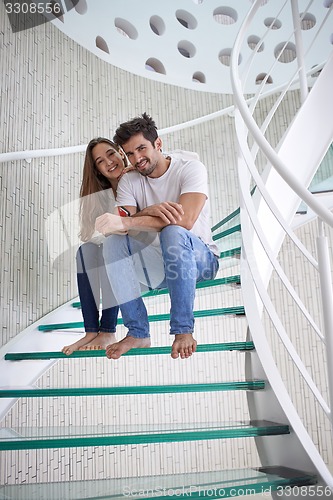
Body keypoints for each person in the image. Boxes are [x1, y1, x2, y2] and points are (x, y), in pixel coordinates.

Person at [95, 113, 220, 360]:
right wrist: (149, 211)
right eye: (129, 154)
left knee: (174, 231)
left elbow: (185, 221)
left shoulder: (191, 169)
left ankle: (183, 330)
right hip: (162, 266)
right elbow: (121, 227)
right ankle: (138, 331)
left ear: (158, 144)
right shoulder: (129, 181)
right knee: (113, 244)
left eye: (142, 149)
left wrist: (130, 220)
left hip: (200, 262)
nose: (137, 159)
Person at [62, 138, 131, 355]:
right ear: (98, 170)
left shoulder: (136, 178)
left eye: (111, 154)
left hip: (140, 251)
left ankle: (108, 330)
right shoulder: (102, 196)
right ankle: (92, 330)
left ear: (121, 152)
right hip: (117, 248)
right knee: (86, 251)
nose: (109, 162)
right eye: (100, 161)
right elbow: (91, 235)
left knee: (112, 248)